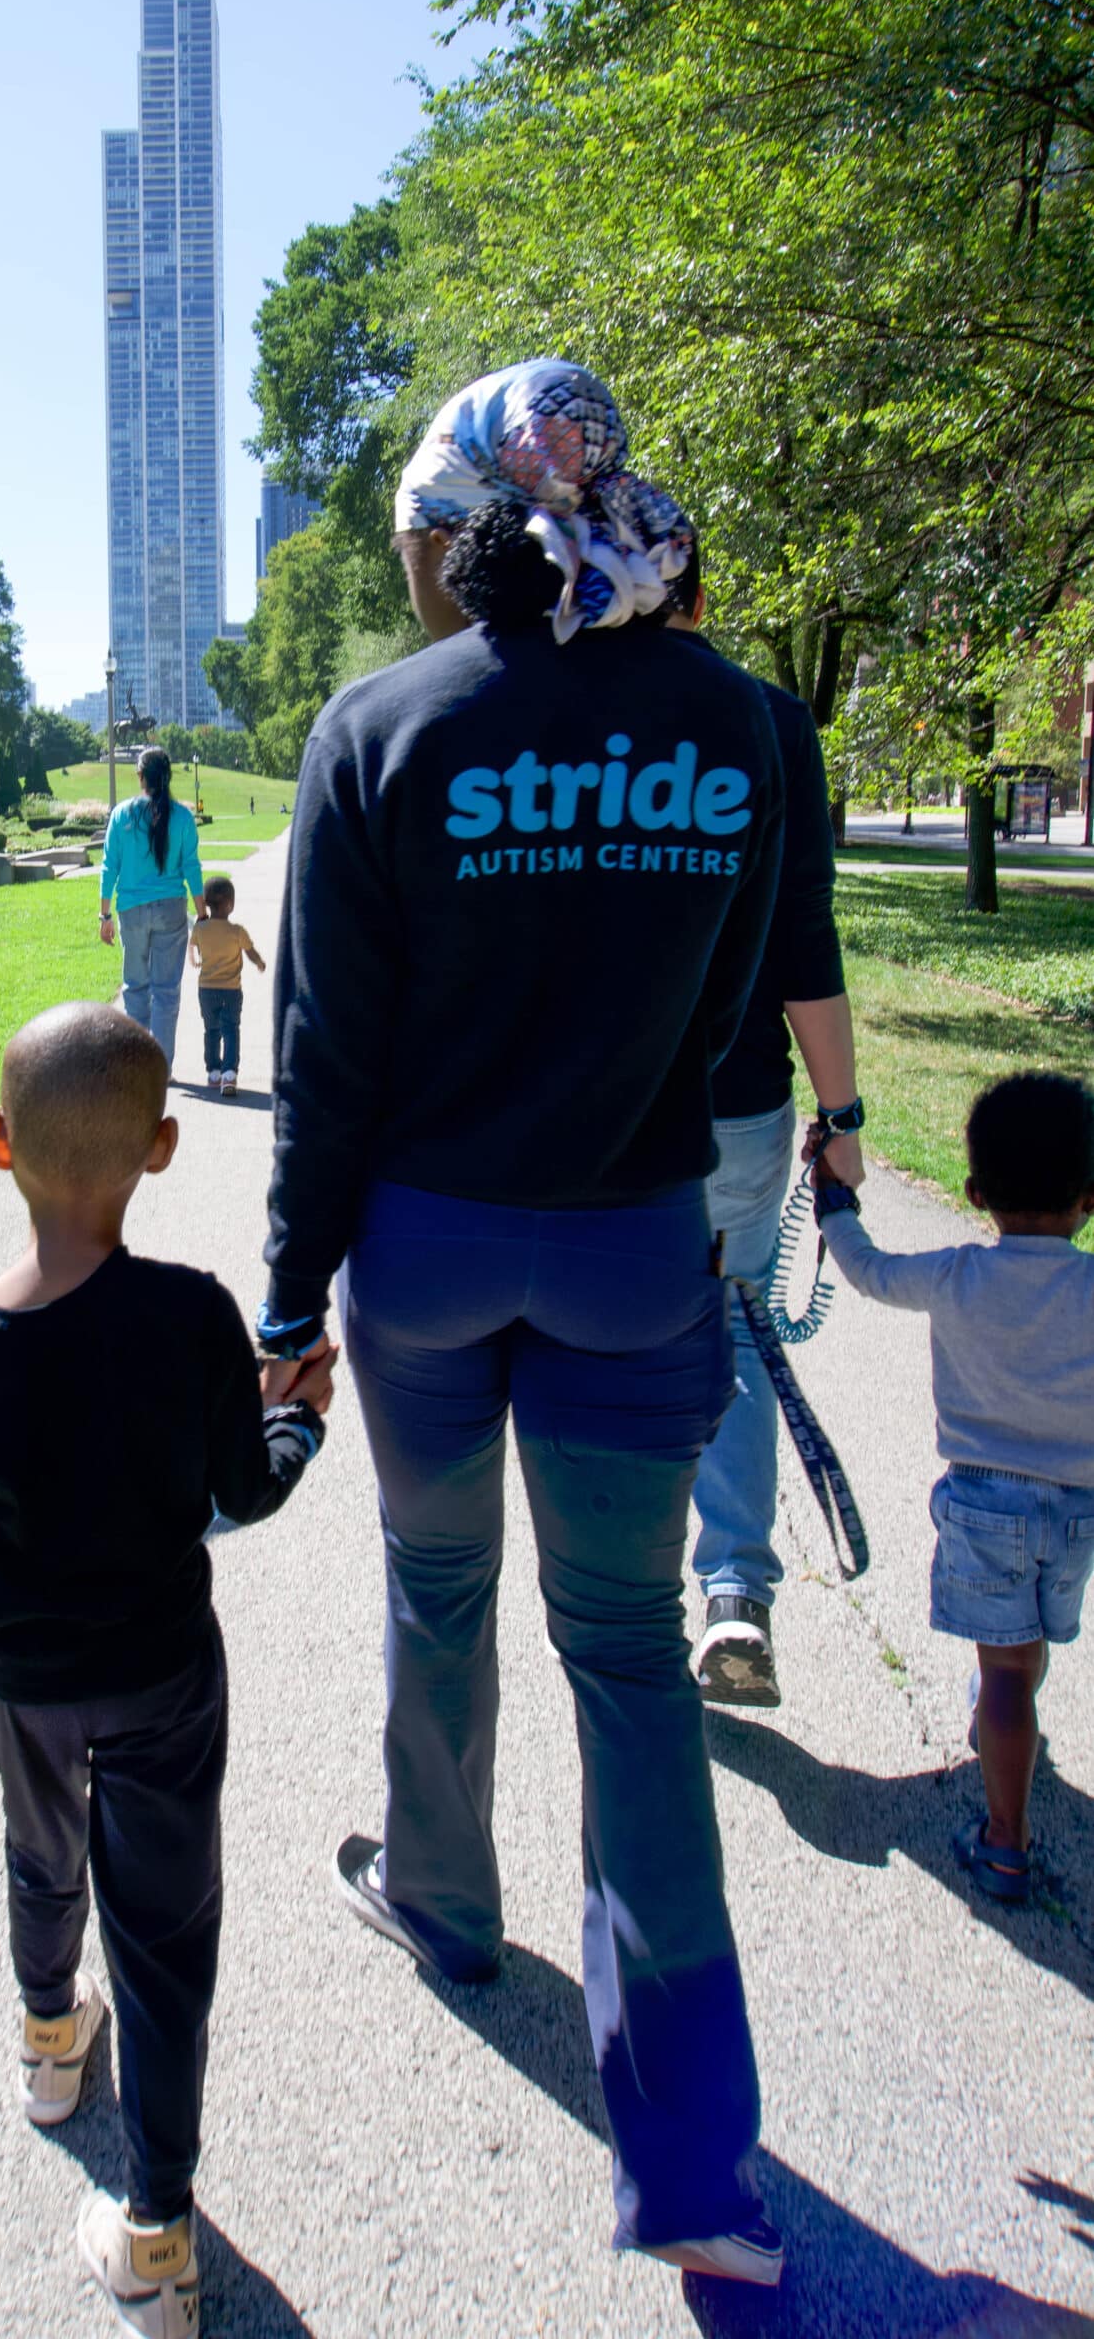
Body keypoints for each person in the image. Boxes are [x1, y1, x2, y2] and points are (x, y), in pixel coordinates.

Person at [259, 360, 788, 2284]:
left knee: (436, 1583)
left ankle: (446, 1903)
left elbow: (327, 1056)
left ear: (458, 521)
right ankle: (696, 2176)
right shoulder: (738, 721)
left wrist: (281, 1297)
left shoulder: (379, 724)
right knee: (632, 1663)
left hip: (423, 1249)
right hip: (635, 1244)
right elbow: (735, 1017)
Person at [0, 1005, 334, 2338]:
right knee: (163, 1929)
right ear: (158, 1148)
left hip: (21, 1675)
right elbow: (235, 1492)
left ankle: (47, 2041)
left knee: (37, 1853)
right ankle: (157, 2226)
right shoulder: (191, 1318)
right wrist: (293, 1424)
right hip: (160, 1672)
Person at [815, 1071, 1094, 1905]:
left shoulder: (956, 1275)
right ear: (1088, 1197)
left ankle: (1004, 1839)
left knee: (1001, 1668)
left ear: (972, 1192)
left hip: (983, 1506)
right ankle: (1002, 1730)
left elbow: (864, 1270)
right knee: (1029, 1642)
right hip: (1077, 1511)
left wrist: (832, 1198)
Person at [673, 590, 866, 1709]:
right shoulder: (773, 720)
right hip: (740, 1102)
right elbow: (804, 932)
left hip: (608, 1117)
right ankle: (735, 1588)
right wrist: (838, 1120)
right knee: (738, 1335)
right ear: (705, 595)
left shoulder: (581, 710)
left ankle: (626, 1590)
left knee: (617, 1341)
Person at [98, 747, 206, 1068]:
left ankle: (138, 1065)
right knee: (166, 991)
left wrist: (104, 915)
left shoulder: (121, 815)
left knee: (135, 987)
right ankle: (161, 1066)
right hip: (171, 909)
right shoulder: (183, 817)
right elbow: (192, 868)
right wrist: (202, 914)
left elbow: (109, 867)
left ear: (141, 777)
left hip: (130, 909)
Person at [189, 875, 265, 1096]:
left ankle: (213, 1071)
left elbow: (192, 946)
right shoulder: (237, 931)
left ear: (207, 904)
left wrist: (193, 959)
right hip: (231, 990)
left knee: (211, 1029)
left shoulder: (201, 929)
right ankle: (229, 1074)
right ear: (230, 905)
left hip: (206, 990)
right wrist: (259, 962)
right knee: (230, 1029)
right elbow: (250, 952)